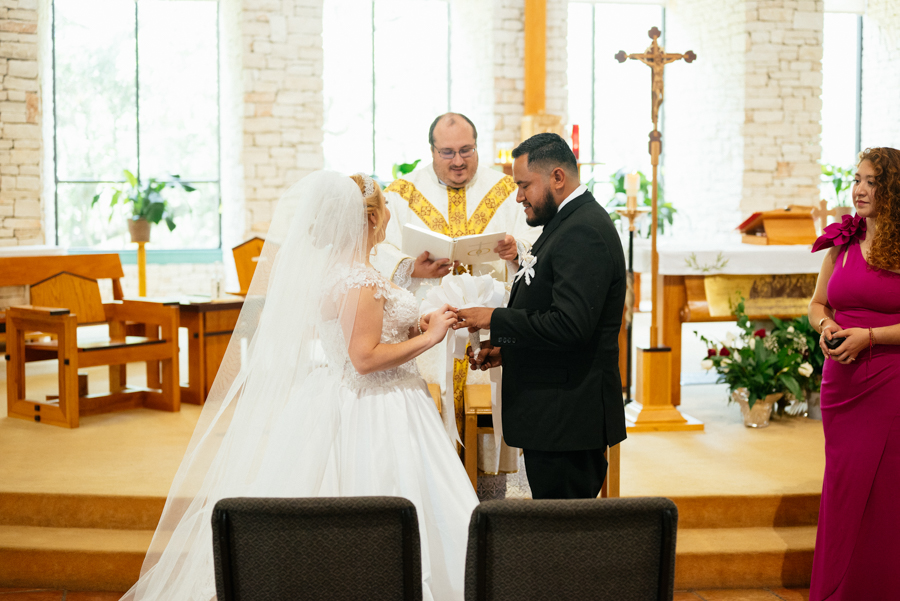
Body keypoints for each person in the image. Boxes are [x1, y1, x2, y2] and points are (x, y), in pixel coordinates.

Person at [120, 171, 478, 601]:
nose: (389, 217)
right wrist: (430, 335)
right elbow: (364, 359)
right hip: (377, 406)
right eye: (385, 209)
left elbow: (362, 331)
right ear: (370, 218)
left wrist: (410, 319)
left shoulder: (346, 272)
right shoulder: (359, 281)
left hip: (344, 396)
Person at [373, 112, 540, 492]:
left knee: (488, 417)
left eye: (466, 150)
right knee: (430, 435)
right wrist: (410, 266)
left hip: (488, 330)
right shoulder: (401, 194)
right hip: (427, 333)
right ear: (431, 151)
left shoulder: (507, 191)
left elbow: (535, 247)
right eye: (447, 152)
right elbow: (376, 249)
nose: (458, 161)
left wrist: (514, 251)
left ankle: (488, 496)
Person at [456, 133, 627, 500]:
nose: (519, 197)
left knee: (563, 543)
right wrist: (509, 349)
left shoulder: (584, 231)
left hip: (568, 420)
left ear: (557, 178)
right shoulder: (568, 222)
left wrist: (494, 319)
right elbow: (554, 313)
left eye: (523, 185)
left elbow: (570, 326)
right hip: (557, 417)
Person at [808, 147, 900, 600]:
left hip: (888, 381)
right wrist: (827, 326)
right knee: (843, 487)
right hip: (840, 385)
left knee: (884, 490)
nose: (860, 189)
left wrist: (871, 336)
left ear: (892, 191)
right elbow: (817, 303)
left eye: (872, 182)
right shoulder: (841, 241)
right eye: (857, 180)